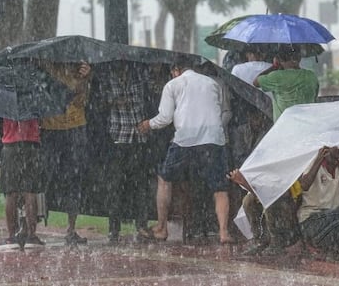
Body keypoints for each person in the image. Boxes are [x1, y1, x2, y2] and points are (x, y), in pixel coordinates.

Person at [137, 58, 232, 244]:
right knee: (220, 188)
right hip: (213, 138)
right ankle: (223, 232)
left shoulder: (173, 84)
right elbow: (219, 110)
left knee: (164, 179)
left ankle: (162, 228)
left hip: (185, 139)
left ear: (175, 70)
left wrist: (148, 124)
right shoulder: (212, 83)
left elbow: (165, 118)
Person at [92, 62, 154, 243]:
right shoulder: (107, 80)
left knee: (139, 185)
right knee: (115, 186)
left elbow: (146, 100)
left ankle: (141, 225)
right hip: (118, 137)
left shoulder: (138, 80)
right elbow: (100, 102)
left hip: (138, 138)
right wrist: (114, 100)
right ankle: (114, 228)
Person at [40, 61, 92, 246]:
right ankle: (32, 225)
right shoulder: (45, 69)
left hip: (75, 127)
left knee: (74, 178)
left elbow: (82, 100)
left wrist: (84, 80)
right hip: (51, 128)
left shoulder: (80, 72)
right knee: (44, 177)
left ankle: (71, 228)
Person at [0, 117, 45, 251]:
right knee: (30, 192)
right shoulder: (34, 97)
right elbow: (42, 121)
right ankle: (32, 236)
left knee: (11, 193)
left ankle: (11, 237)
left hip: (10, 146)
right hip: (31, 146)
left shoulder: (4, 98)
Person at [253, 46, 319, 122]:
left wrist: (274, 66)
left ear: (279, 59)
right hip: (308, 124)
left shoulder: (276, 77)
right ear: (299, 58)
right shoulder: (311, 76)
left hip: (284, 127)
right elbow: (315, 97)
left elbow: (256, 82)